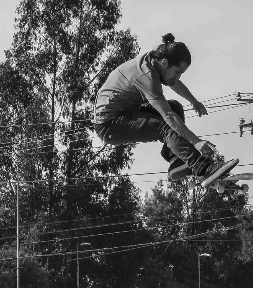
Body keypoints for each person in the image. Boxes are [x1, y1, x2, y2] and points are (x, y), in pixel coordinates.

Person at [92, 33, 238, 186]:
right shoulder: (147, 76)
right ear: (164, 62)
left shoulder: (154, 62)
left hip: (125, 112)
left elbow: (173, 83)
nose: (178, 77)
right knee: (164, 126)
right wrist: (196, 142)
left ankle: (177, 162)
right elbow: (168, 116)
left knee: (175, 106)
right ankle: (203, 167)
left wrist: (193, 101)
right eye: (177, 71)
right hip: (109, 124)